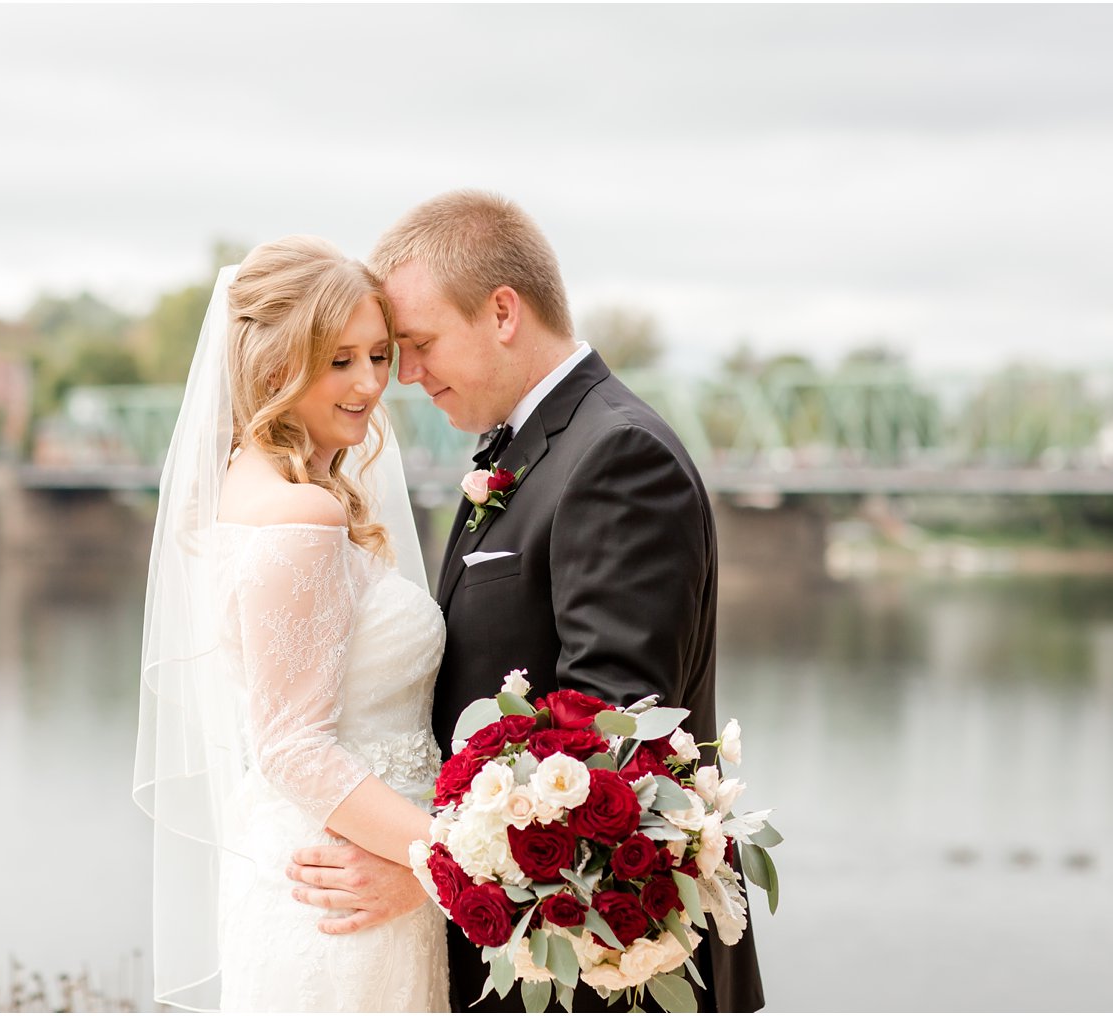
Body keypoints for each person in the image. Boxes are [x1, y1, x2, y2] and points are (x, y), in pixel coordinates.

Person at [286, 191, 766, 1012]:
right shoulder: (525, 447)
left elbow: (613, 748)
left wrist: (429, 873)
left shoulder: (617, 458)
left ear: (503, 311)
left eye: (419, 342)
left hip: (605, 978)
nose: (404, 374)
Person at [133, 236, 449, 1011]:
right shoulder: (302, 514)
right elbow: (292, 747)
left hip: (321, 864)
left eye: (379, 355)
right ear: (274, 365)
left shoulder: (243, 489)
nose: (370, 383)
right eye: (338, 360)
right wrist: (457, 861)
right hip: (351, 880)